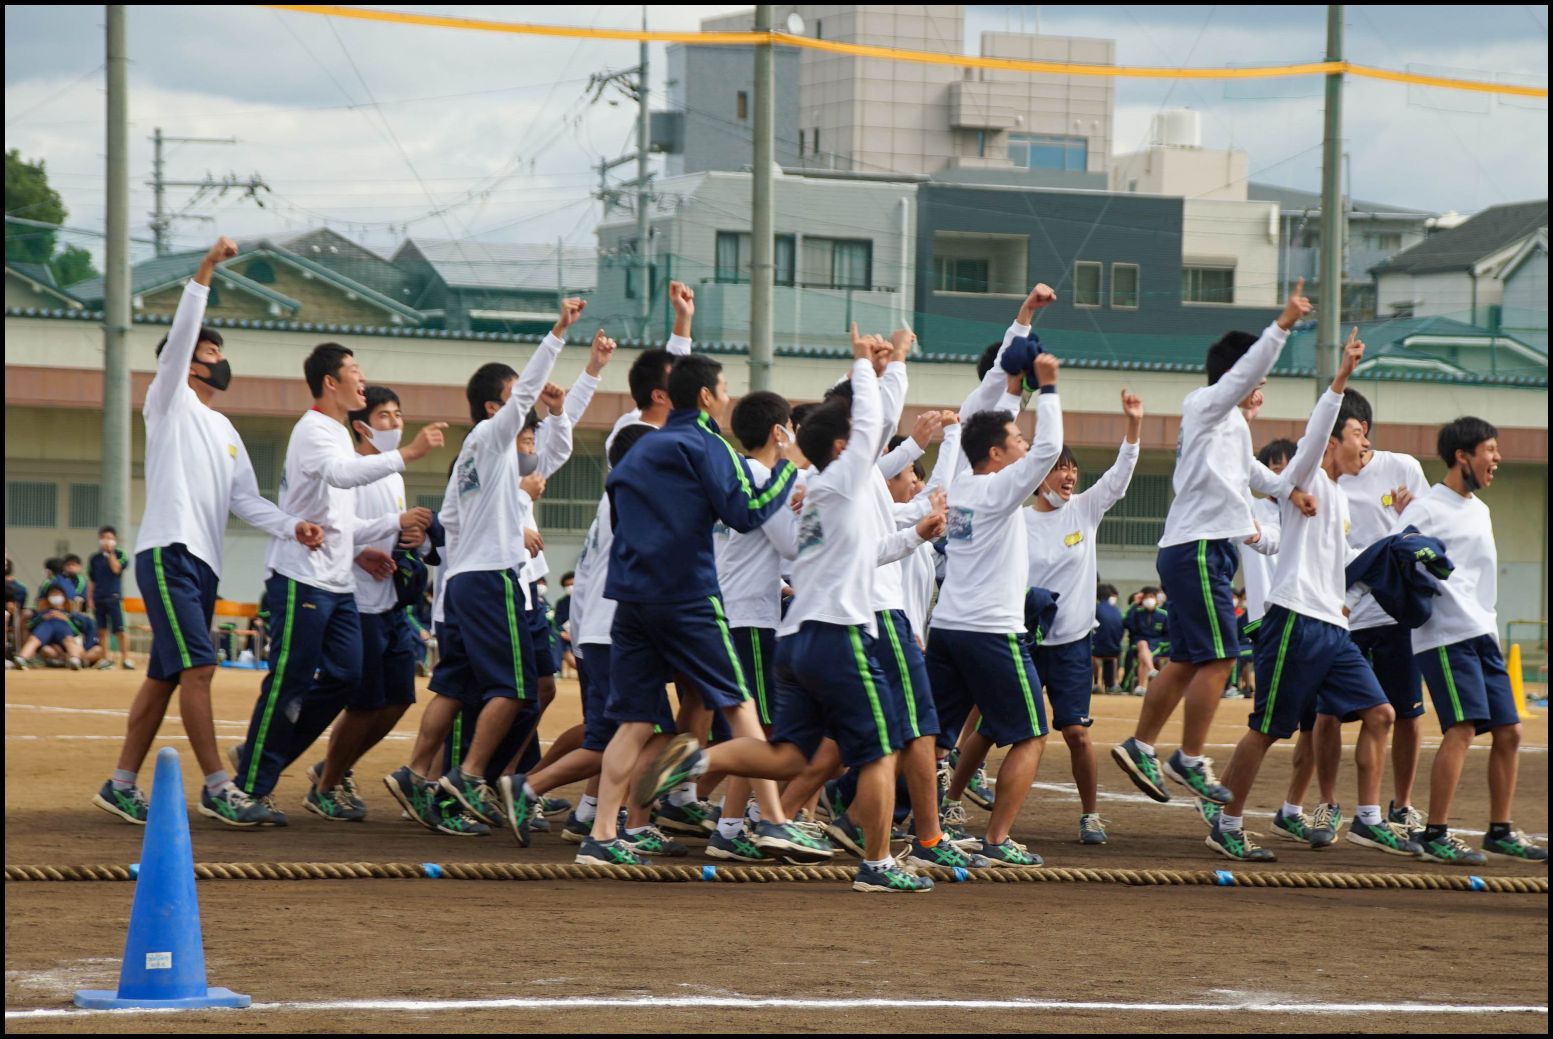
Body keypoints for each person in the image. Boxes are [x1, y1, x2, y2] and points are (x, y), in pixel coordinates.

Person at [636, 330, 947, 892]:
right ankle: (878, 865)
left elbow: (866, 551)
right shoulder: (841, 481)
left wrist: (915, 536)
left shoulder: (812, 496)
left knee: (787, 752)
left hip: (796, 641)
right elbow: (875, 418)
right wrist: (873, 364)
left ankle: (696, 762)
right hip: (839, 636)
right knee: (881, 751)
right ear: (841, 448)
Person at [92, 237, 325, 829]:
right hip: (168, 552)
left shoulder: (224, 428)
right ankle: (220, 787)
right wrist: (205, 271)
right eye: (211, 350)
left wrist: (293, 526)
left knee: (164, 678)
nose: (221, 359)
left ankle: (120, 783)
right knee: (199, 668)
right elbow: (181, 335)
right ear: (187, 362)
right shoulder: (167, 399)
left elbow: (245, 500)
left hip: (202, 565)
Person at [572, 350, 802, 867]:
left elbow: (622, 512)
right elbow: (745, 513)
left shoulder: (641, 449)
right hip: (687, 595)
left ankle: (602, 834)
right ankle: (774, 821)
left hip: (630, 600)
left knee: (633, 722)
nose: (726, 397)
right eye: (723, 388)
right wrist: (787, 470)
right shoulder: (708, 444)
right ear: (704, 395)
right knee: (738, 703)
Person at [1210, 330, 1421, 862]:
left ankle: (1368, 819)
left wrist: (1386, 553)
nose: (1365, 445)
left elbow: (1341, 559)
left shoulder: (1340, 498)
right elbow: (1319, 423)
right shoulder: (1305, 474)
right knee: (1267, 730)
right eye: (1357, 435)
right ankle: (1227, 823)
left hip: (1333, 627)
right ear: (1330, 440)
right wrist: (1343, 373)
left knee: (1381, 713)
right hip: (1295, 621)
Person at [384, 300, 582, 835]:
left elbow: (449, 518)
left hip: (464, 581)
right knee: (516, 689)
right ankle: (470, 776)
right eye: (517, 397)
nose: (526, 404)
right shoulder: (494, 436)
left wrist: (507, 507)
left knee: (454, 686)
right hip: (494, 578)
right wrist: (558, 332)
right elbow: (527, 391)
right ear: (498, 406)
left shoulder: (476, 456)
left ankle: (416, 775)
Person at [1113, 280, 1312, 806]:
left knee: (1184, 660)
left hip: (1198, 548)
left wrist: (1292, 492)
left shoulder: (1230, 426)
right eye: (1256, 381)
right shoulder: (1208, 404)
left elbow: (1257, 476)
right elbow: (1243, 374)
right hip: (1199, 547)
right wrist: (1283, 325)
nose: (1259, 391)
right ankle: (1190, 757)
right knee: (1222, 657)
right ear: (1237, 375)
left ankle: (1140, 745)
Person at [231, 342, 444, 820]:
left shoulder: (336, 436)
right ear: (331, 382)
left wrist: (389, 527)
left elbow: (343, 524)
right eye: (354, 370)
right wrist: (409, 453)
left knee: (347, 677)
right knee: (289, 681)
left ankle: (262, 759)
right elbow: (342, 475)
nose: (362, 379)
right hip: (301, 578)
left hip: (337, 583)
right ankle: (248, 787)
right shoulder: (314, 431)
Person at [926, 347, 1065, 867]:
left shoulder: (963, 482)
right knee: (1031, 734)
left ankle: (918, 834)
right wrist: (1047, 387)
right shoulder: (999, 489)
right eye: (1015, 440)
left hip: (948, 628)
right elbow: (1049, 448)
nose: (1023, 443)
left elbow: (991, 427)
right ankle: (997, 838)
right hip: (991, 632)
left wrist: (1013, 386)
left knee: (930, 738)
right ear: (997, 455)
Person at [1403, 418, 1546, 863]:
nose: (1497, 458)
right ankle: (1435, 834)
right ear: (1462, 456)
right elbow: (1398, 556)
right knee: (1462, 728)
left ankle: (1499, 830)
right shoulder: (1426, 508)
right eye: (1489, 449)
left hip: (1483, 631)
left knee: (1510, 731)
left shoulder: (1480, 510)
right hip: (1444, 635)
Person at [301, 385, 426, 821]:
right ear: (362, 425)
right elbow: (334, 526)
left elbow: (392, 529)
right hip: (358, 601)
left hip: (390, 604)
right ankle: (326, 786)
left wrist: (412, 535)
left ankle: (333, 768)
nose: (396, 423)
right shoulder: (350, 470)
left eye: (398, 414)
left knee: (399, 699)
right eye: (385, 416)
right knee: (364, 703)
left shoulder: (393, 475)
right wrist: (362, 549)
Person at [1023, 389, 1142, 845]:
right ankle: (954, 798)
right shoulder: (1018, 521)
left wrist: (1133, 425)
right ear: (1038, 475)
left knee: (1076, 733)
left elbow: (1119, 477)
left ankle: (1091, 814)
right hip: (1027, 642)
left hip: (1073, 645)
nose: (1069, 474)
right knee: (995, 727)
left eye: (1072, 467)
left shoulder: (1084, 511)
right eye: (1059, 467)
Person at [1336, 390, 1432, 836]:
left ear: (1363, 431)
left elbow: (1426, 530)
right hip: (1344, 616)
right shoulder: (1327, 480)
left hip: (1395, 615)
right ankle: (1326, 802)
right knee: (1328, 717)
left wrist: (1408, 516)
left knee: (1408, 714)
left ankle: (1403, 804)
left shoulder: (1402, 468)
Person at [88, 527, 133, 670]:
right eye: (103, 538)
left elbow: (116, 569)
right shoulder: (94, 558)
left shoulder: (121, 554)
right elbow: (92, 580)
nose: (106, 541)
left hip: (114, 597)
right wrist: (90, 599)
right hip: (99, 598)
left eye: (110, 538)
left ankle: (126, 658)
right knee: (102, 630)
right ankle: (106, 658)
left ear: (115, 540)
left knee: (120, 630)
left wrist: (110, 553)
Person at [1122, 588, 1168, 694]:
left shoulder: (1163, 614)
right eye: (1146, 598)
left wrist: (1161, 644)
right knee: (1143, 644)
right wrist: (1134, 604)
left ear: (1156, 599)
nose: (1149, 600)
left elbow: (1168, 635)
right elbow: (1125, 621)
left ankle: (1141, 686)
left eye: (1151, 597)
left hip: (1157, 645)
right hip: (1138, 643)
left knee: (1143, 656)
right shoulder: (1137, 613)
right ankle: (1151, 670)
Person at [1093, 584, 1124, 694]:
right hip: (1115, 648)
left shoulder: (1095, 608)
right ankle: (1110, 685)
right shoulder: (1116, 610)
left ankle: (1094, 684)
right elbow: (1120, 630)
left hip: (1097, 649)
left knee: (1087, 651)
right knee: (1108, 656)